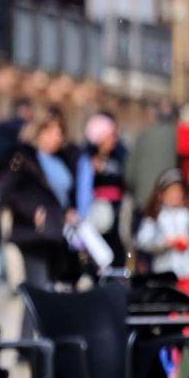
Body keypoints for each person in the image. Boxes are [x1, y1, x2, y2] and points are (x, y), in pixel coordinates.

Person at [0, 107, 81, 291]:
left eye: (61, 133)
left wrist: (70, 210)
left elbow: (65, 194)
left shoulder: (63, 159)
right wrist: (32, 211)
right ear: (40, 132)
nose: (58, 137)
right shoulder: (23, 157)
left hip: (60, 231)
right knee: (39, 289)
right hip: (35, 232)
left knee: (58, 288)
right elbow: (7, 190)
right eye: (53, 132)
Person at [77, 111, 128, 265]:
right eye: (110, 136)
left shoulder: (120, 155)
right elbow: (83, 192)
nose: (114, 140)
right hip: (98, 215)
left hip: (117, 212)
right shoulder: (87, 160)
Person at [134, 169, 189, 280]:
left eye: (178, 191)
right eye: (171, 191)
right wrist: (163, 243)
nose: (175, 195)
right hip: (164, 272)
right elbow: (142, 241)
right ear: (160, 194)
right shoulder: (155, 215)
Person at [126, 99, 180, 211]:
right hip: (169, 203)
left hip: (143, 199)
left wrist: (135, 193)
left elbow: (129, 172)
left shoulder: (144, 135)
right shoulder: (179, 137)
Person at [0, 97, 32, 184]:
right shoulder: (12, 127)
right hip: (5, 175)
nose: (31, 115)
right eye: (29, 111)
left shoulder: (3, 127)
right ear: (23, 110)